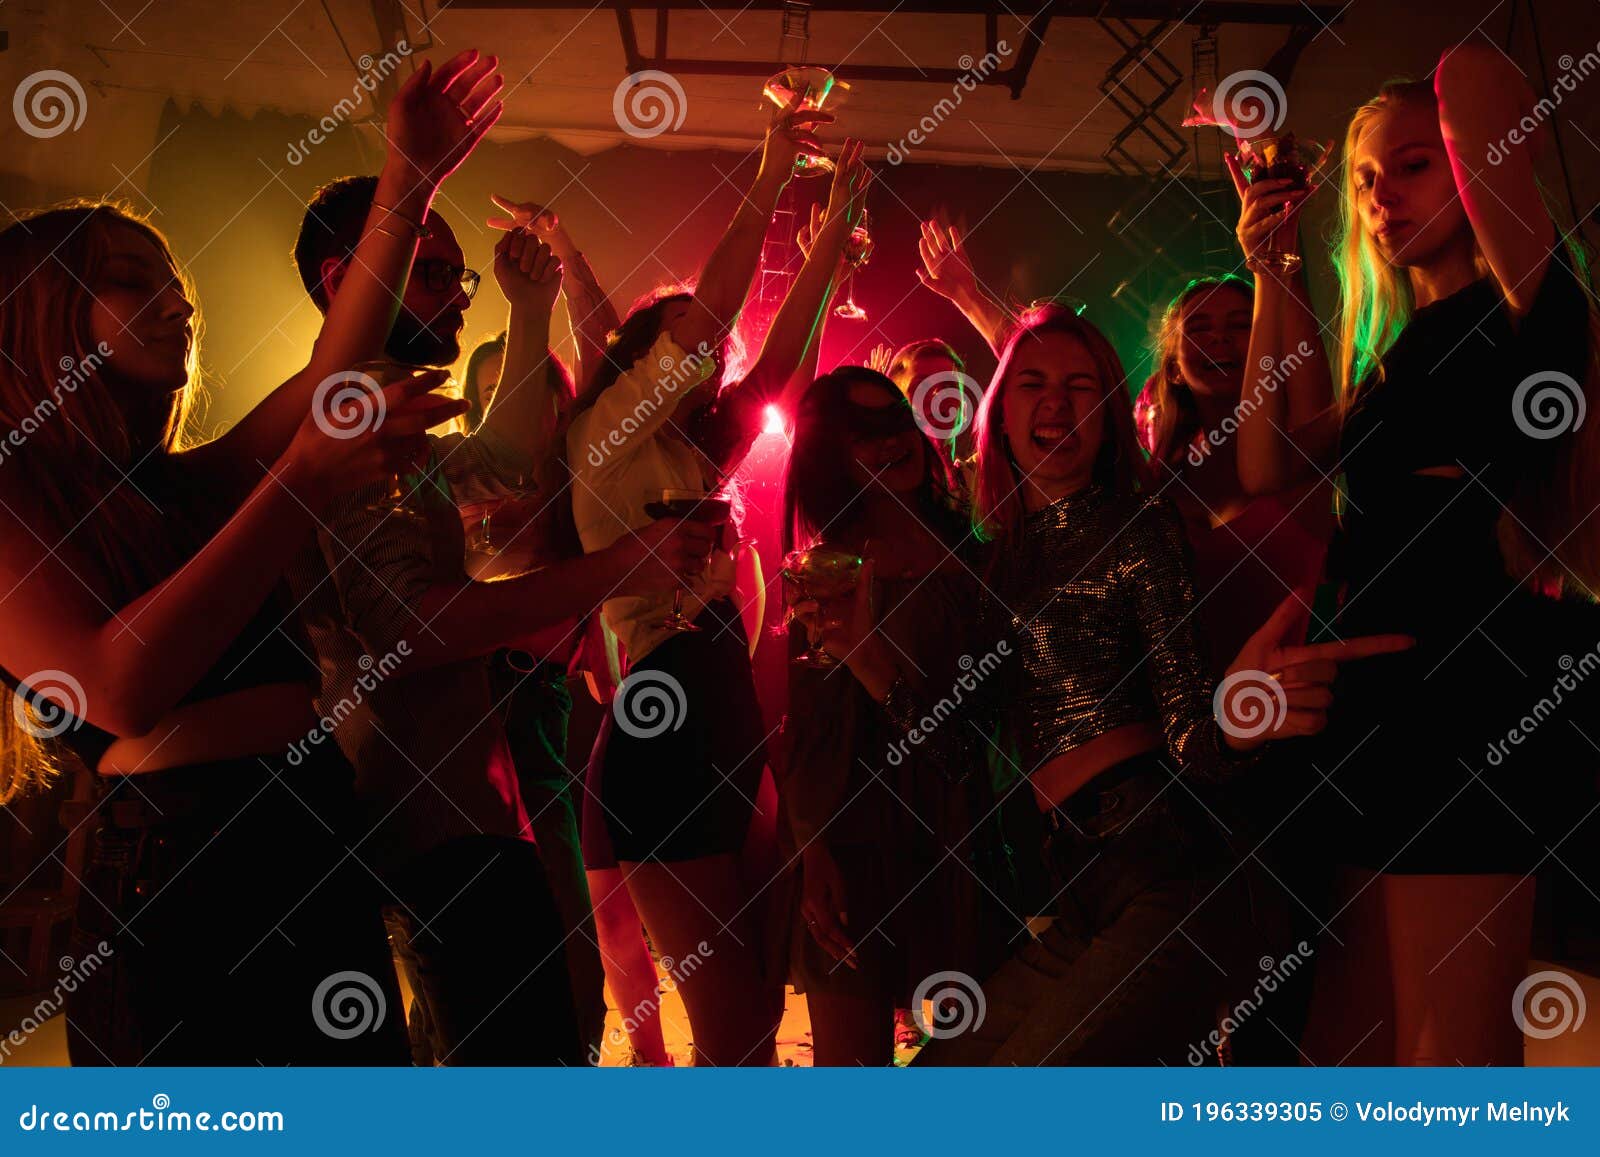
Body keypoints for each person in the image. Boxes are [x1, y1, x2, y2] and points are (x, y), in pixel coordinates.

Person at [798, 305, 1409, 1063]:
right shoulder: (1002, 562)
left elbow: (1194, 739)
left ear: (1110, 414)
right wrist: (862, 649)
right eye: (1034, 383)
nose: (1057, 402)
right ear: (1003, 412)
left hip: (1174, 872)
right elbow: (958, 748)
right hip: (1081, 888)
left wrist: (1239, 714)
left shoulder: (1138, 525)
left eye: (1080, 385)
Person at [284, 58, 714, 1065]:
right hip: (426, 824)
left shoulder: (393, 422)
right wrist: (620, 567)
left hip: (462, 808)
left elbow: (510, 459)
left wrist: (528, 308)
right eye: (434, 272)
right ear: (346, 282)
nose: (457, 296)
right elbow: (410, 628)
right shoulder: (345, 422)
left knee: (547, 1033)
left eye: (455, 275)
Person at [0, 193, 468, 1063]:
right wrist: (304, 478)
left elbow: (339, 366)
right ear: (37, 315)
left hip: (302, 828)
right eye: (131, 281)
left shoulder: (169, 488)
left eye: (175, 284)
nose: (178, 304)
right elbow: (118, 686)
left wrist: (413, 176)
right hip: (182, 873)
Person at [1233, 48, 1600, 1065]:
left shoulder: (1530, 304)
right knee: (1355, 1057)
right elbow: (1266, 457)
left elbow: (1478, 81)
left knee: (1450, 1066)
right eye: (1362, 177)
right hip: (1366, 711)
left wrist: (1440, 107)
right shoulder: (1407, 346)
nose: (1380, 195)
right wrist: (1273, 264)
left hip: (1463, 704)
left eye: (1412, 165)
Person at [564, 111, 870, 1065]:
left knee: (754, 1024)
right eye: (693, 354)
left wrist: (829, 237)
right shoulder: (607, 435)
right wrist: (775, 168)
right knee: (733, 1033)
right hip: (665, 733)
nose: (714, 373)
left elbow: (777, 362)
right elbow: (719, 317)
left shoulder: (690, 452)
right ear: (646, 362)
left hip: (727, 724)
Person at [778, 367, 1019, 1065]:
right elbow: (811, 725)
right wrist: (811, 849)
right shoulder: (826, 565)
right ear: (831, 454)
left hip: (960, 826)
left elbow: (984, 722)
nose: (891, 441)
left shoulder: (975, 546)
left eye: (898, 421)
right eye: (865, 433)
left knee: (970, 1067)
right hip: (858, 830)